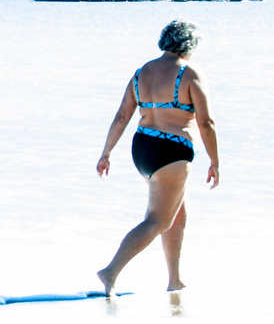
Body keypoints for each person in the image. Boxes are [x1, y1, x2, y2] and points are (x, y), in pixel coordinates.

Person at [94, 20, 219, 294]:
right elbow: (206, 122)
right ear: (190, 44)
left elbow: (122, 116)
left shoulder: (141, 73)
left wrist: (107, 153)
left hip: (143, 148)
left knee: (175, 214)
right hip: (172, 151)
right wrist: (214, 161)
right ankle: (110, 271)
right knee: (157, 219)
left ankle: (174, 280)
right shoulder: (190, 72)